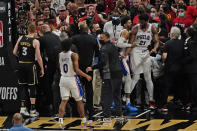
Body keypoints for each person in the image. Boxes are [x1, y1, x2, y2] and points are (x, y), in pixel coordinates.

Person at [125, 13, 159, 109]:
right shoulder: (135, 28)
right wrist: (126, 54)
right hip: (136, 51)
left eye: (142, 22)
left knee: (148, 77)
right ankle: (126, 99)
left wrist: (155, 48)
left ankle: (151, 100)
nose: (140, 23)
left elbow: (156, 41)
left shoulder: (152, 28)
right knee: (136, 77)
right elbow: (131, 43)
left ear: (147, 21)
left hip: (146, 52)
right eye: (139, 21)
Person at [87, 32, 123, 120]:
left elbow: (103, 63)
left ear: (107, 37)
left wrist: (92, 67)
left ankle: (107, 115)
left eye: (102, 38)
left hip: (109, 75)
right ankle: (119, 113)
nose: (100, 39)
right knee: (117, 95)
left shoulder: (104, 49)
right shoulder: (113, 46)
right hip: (118, 73)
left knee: (106, 96)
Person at [58, 39, 92, 128]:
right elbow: (76, 70)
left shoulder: (60, 55)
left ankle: (60, 122)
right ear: (70, 46)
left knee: (63, 101)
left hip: (63, 78)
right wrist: (86, 76)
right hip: (72, 79)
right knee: (79, 100)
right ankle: (84, 121)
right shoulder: (74, 55)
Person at [13, 24, 44, 117]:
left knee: (23, 87)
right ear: (35, 31)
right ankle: (32, 110)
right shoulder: (35, 41)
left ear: (27, 30)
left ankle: (22, 108)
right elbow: (38, 57)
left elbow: (14, 52)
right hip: (30, 65)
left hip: (21, 64)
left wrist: (21, 57)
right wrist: (42, 68)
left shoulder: (20, 38)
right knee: (32, 86)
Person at [72, 23, 99, 119]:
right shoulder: (93, 39)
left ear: (79, 29)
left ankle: (76, 110)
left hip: (77, 67)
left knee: (76, 88)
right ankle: (90, 109)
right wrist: (93, 65)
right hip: (88, 67)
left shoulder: (74, 38)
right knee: (89, 89)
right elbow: (97, 54)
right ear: (88, 29)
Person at [159, 26, 184, 111]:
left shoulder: (168, 43)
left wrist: (162, 59)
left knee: (166, 86)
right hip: (180, 68)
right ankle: (180, 102)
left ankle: (164, 105)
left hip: (170, 68)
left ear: (172, 34)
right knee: (179, 86)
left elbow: (164, 56)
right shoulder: (182, 43)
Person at [116, 16, 138, 112]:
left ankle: (121, 100)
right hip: (122, 58)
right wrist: (130, 45)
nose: (131, 24)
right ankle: (127, 102)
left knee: (123, 80)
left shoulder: (126, 32)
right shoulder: (125, 31)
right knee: (128, 79)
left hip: (125, 58)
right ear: (124, 24)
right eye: (129, 22)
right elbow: (119, 44)